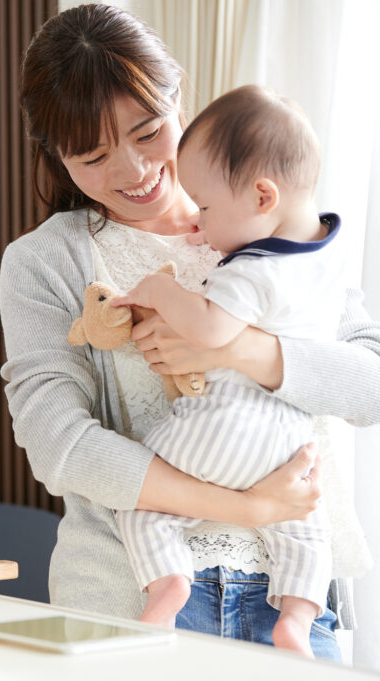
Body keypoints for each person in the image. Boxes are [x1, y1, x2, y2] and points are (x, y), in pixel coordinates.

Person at [1, 3, 380, 659]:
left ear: (178, 91)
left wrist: (237, 347)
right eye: (92, 155)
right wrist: (247, 507)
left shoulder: (273, 221)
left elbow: (370, 387)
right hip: (132, 602)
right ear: (57, 158)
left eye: (149, 132)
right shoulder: (44, 262)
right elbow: (58, 444)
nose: (132, 171)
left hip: (293, 601)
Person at [109, 84, 342, 656]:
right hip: (291, 445)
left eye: (207, 209)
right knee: (308, 530)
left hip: (221, 429)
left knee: (140, 503)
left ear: (263, 196)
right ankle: (295, 617)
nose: (201, 225)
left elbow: (212, 329)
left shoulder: (253, 268)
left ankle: (167, 584)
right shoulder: (326, 265)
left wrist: (164, 288)